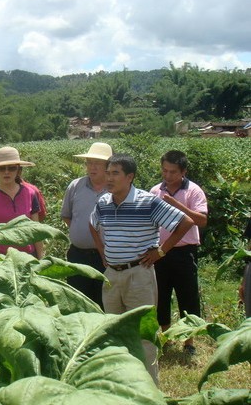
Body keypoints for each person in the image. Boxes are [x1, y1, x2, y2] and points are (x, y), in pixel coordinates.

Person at [89, 154, 194, 384]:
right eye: (108, 172)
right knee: (113, 332)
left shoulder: (148, 202)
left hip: (139, 274)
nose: (109, 178)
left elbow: (185, 222)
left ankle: (148, 389)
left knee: (143, 335)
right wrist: (102, 252)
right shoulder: (103, 203)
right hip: (112, 276)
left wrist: (161, 251)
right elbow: (92, 223)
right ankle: (120, 385)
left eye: (115, 173)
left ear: (130, 177)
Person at [150, 150, 208, 355]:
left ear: (183, 171)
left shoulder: (194, 191)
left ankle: (189, 341)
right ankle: (166, 337)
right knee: (161, 296)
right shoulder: (155, 191)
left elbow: (201, 220)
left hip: (185, 252)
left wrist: (178, 206)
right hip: (160, 252)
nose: (167, 176)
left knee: (187, 296)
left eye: (173, 172)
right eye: (164, 171)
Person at [61, 142, 113, 309]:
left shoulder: (115, 189)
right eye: (89, 162)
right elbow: (67, 216)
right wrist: (80, 232)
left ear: (107, 166)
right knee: (78, 301)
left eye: (97, 163)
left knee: (104, 301)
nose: (92, 167)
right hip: (78, 255)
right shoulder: (75, 186)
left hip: (106, 257)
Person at [0, 146, 43, 258]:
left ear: (18, 170)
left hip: (29, 257)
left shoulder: (30, 193)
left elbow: (36, 231)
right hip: (1, 260)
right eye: (2, 168)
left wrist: (41, 257)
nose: (6, 172)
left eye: (12, 168)